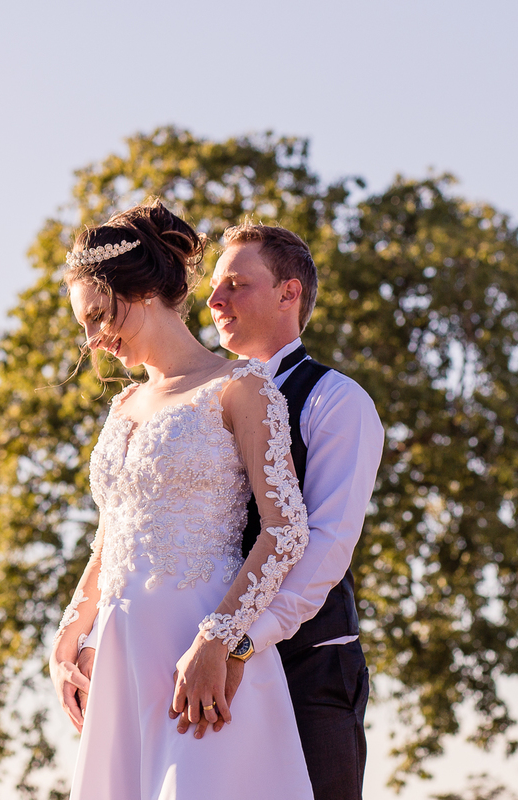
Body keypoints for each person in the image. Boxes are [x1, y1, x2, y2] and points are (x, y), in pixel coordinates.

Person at [75, 223, 385, 800]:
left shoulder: (336, 401)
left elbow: (323, 546)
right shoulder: (181, 395)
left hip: (305, 669)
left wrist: (238, 641)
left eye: (236, 284)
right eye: (213, 284)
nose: (214, 299)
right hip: (175, 652)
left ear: (289, 293)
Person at [48, 200, 317, 799]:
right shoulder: (123, 406)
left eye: (98, 316)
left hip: (198, 645)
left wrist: (219, 640)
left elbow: (285, 531)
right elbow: (113, 534)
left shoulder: (240, 388)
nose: (92, 341)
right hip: (122, 653)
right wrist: (70, 634)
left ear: (143, 292)